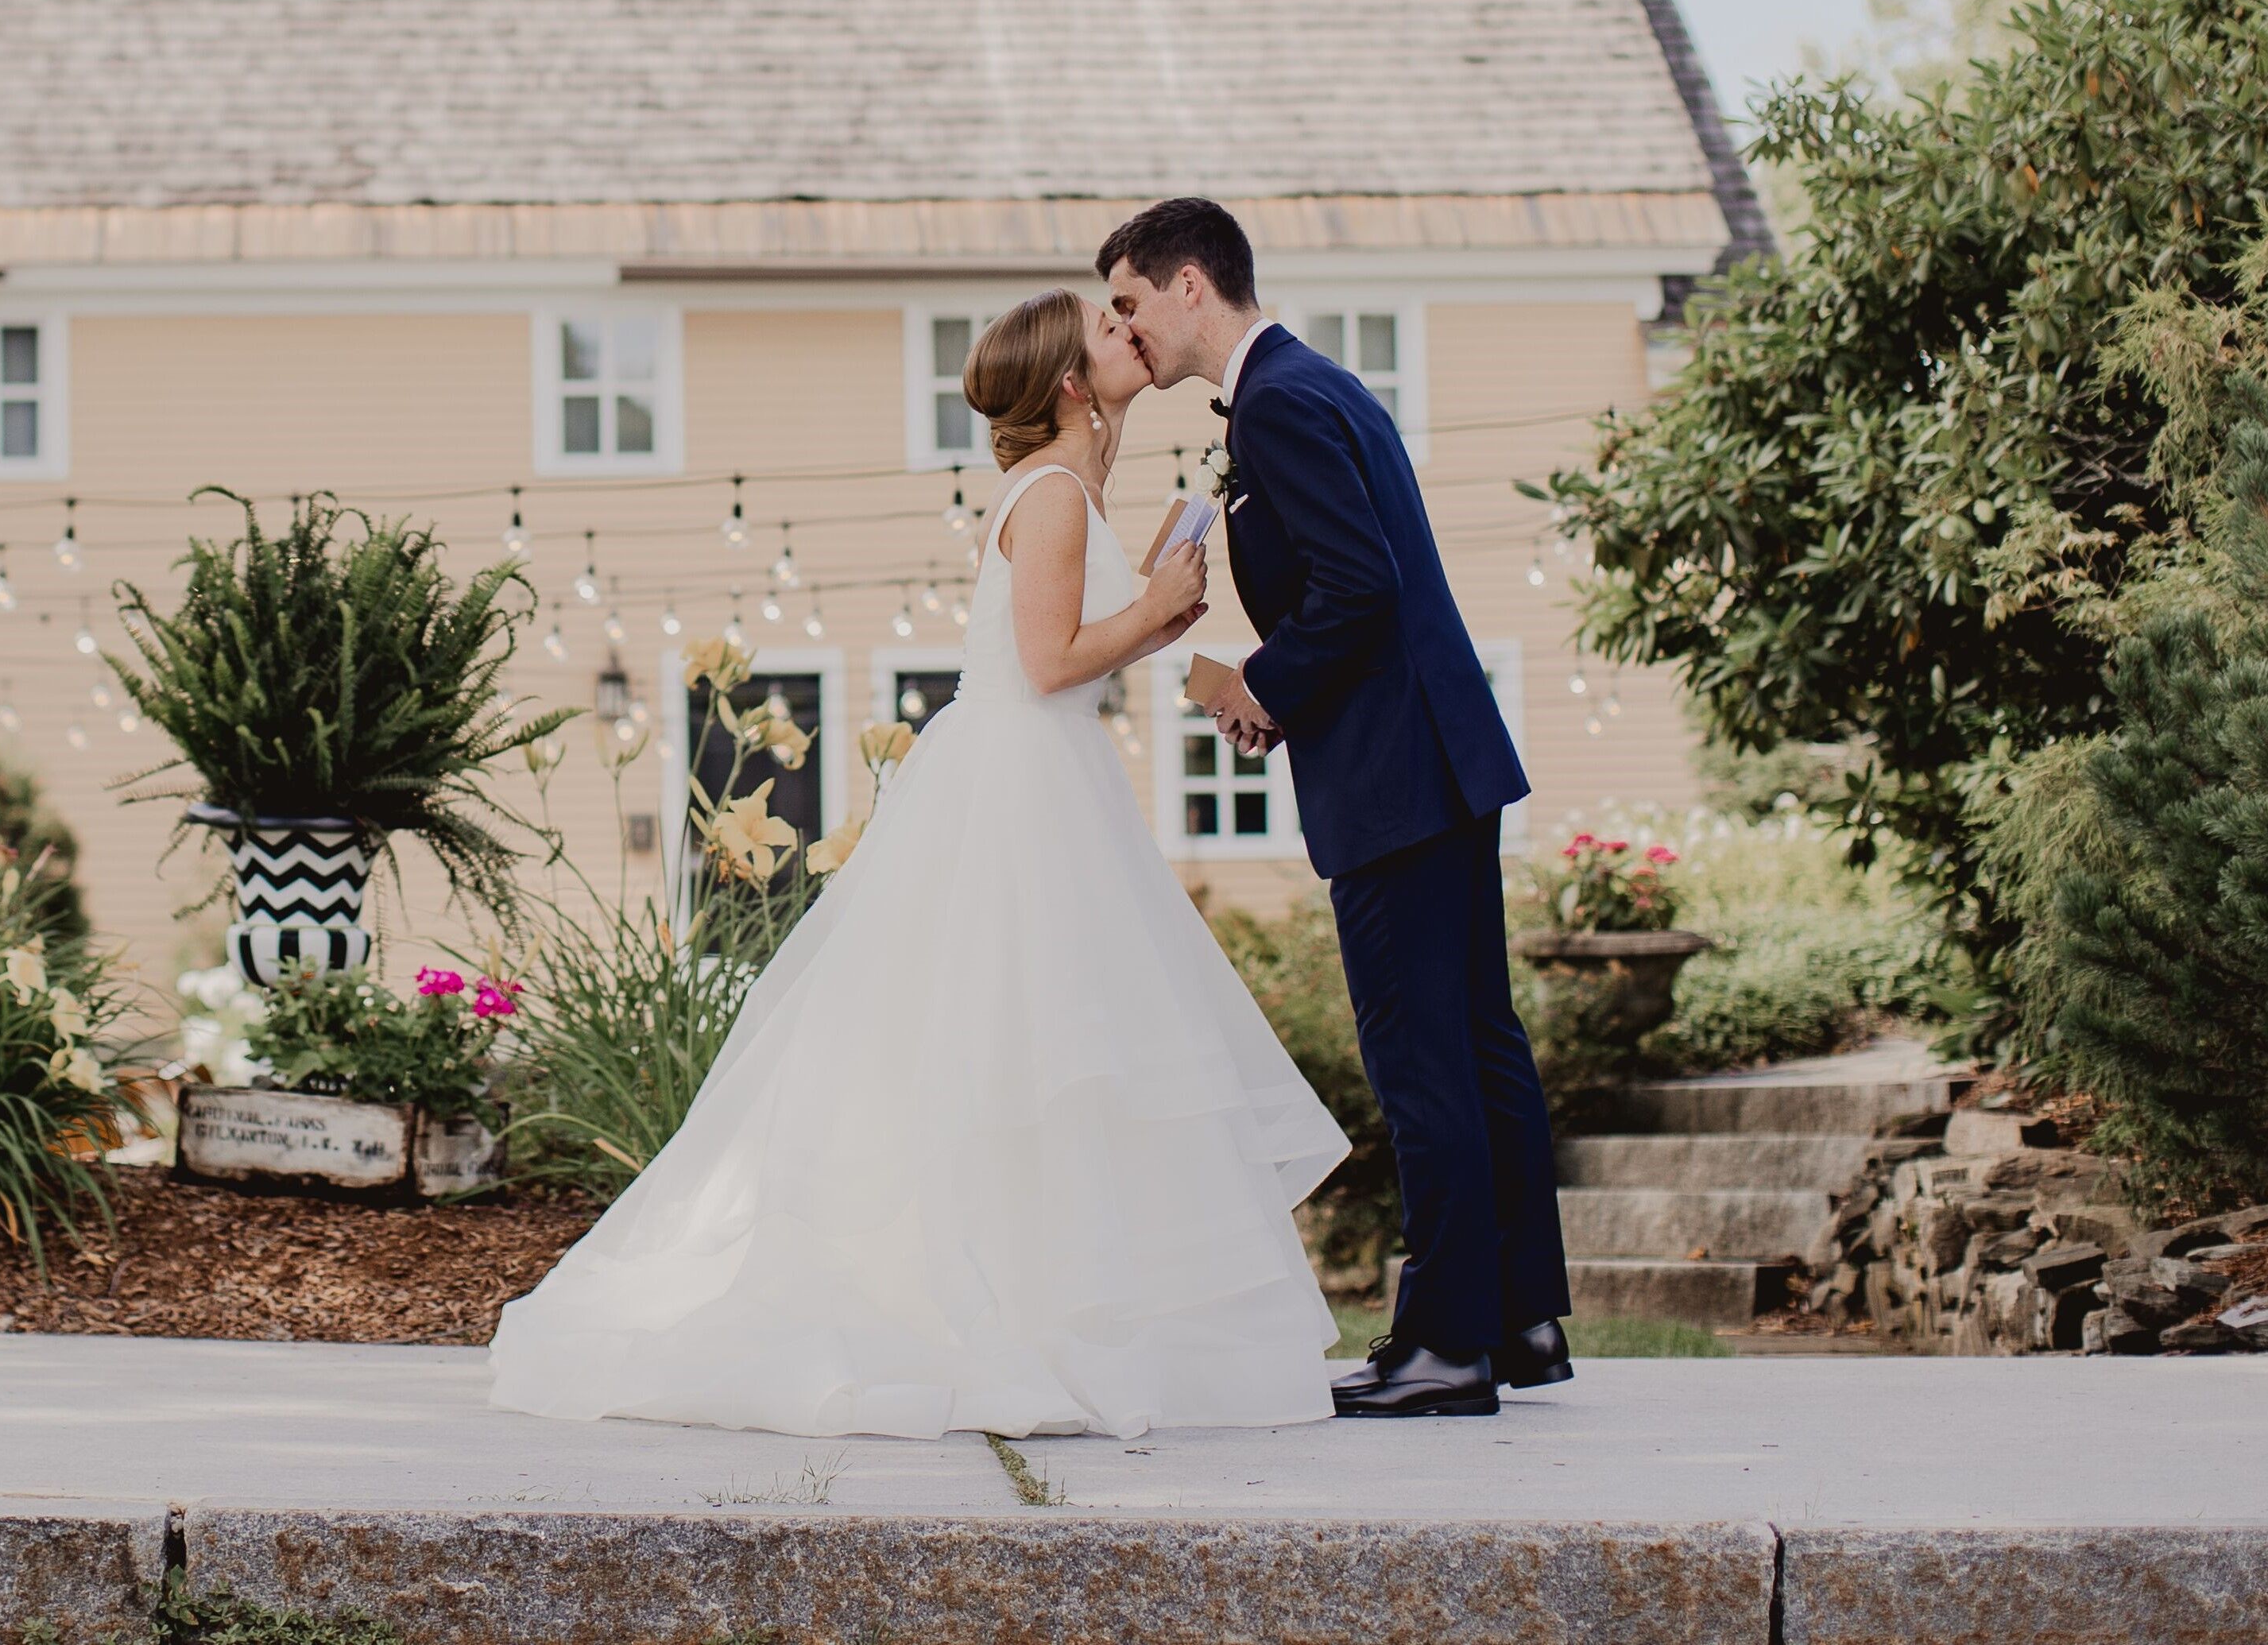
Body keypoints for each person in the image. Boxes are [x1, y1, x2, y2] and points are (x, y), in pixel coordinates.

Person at [487, 287, 1349, 1439]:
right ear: (1070, 385)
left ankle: (1044, 1293)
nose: (1126, 329)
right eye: (1105, 329)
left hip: (1041, 784)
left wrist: (1150, 605)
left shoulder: (1073, 488)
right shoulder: (1049, 494)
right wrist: (1151, 616)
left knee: (1048, 1051)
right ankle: (1003, 1309)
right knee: (1022, 1047)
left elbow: (1072, 640)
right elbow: (1049, 663)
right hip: (1019, 794)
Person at [1101, 195, 1572, 1420]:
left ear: (1191, 286)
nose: (1126, 328)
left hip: (1395, 777)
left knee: (1424, 1061)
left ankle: (1445, 1347)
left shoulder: (1283, 404)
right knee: (1479, 1047)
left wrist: (1262, 683)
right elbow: (1365, 589)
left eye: (1131, 304)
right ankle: (1517, 1316)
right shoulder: (1313, 386)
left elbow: (1359, 589)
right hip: (1435, 758)